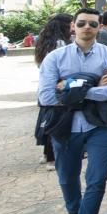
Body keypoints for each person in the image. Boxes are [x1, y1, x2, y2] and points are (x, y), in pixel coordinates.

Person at [37, 8, 107, 214]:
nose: (87, 28)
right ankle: (74, 213)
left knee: (97, 179)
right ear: (73, 26)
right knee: (67, 177)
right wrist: (93, 85)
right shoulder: (55, 58)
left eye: (93, 24)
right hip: (64, 125)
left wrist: (70, 87)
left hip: (100, 125)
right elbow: (46, 96)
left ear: (98, 27)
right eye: (82, 23)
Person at [34, 13, 73, 170]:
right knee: (56, 123)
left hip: (46, 86)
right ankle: (51, 157)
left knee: (48, 120)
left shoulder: (44, 41)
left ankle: (46, 154)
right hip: (58, 88)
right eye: (72, 23)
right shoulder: (60, 44)